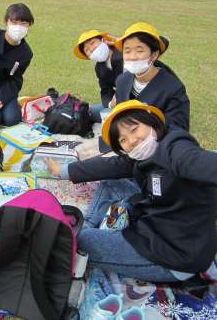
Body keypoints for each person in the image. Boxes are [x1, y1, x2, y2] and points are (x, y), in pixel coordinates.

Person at [49, 100, 217, 282]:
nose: (132, 141)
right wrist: (64, 170)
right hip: (158, 222)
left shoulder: (176, 150)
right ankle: (88, 225)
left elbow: (198, 162)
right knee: (111, 182)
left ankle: (85, 234)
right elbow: (110, 165)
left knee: (76, 240)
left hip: (174, 255)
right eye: (122, 140)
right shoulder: (144, 154)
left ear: (151, 122)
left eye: (134, 129)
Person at [114, 22, 190, 131]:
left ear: (154, 55)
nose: (132, 57)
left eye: (139, 51)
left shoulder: (173, 89)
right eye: (127, 51)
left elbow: (178, 129)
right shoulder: (122, 81)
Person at [73, 29, 122, 123]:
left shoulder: (124, 52)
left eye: (92, 43)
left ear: (103, 40)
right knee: (89, 112)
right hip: (116, 105)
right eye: (87, 50)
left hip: (136, 101)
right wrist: (110, 104)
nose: (91, 49)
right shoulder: (99, 68)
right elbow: (105, 90)